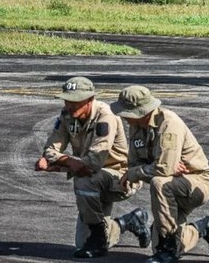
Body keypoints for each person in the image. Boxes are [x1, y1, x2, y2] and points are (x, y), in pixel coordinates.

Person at [35, 76, 150, 258]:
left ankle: (97, 241)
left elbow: (93, 162)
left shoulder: (106, 117)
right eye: (67, 100)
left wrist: (62, 162)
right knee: (81, 244)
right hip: (92, 178)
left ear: (89, 100)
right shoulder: (66, 115)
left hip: (119, 178)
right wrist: (67, 161)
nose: (69, 105)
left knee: (84, 181)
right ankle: (129, 222)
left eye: (75, 101)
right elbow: (49, 150)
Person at [111, 85, 209, 263]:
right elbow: (136, 163)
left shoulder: (168, 123)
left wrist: (139, 172)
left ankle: (167, 247)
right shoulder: (136, 126)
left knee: (159, 183)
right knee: (159, 244)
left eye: (127, 112)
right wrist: (159, 168)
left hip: (196, 181)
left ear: (142, 111)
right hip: (173, 184)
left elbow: (160, 170)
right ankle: (205, 227)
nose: (123, 117)